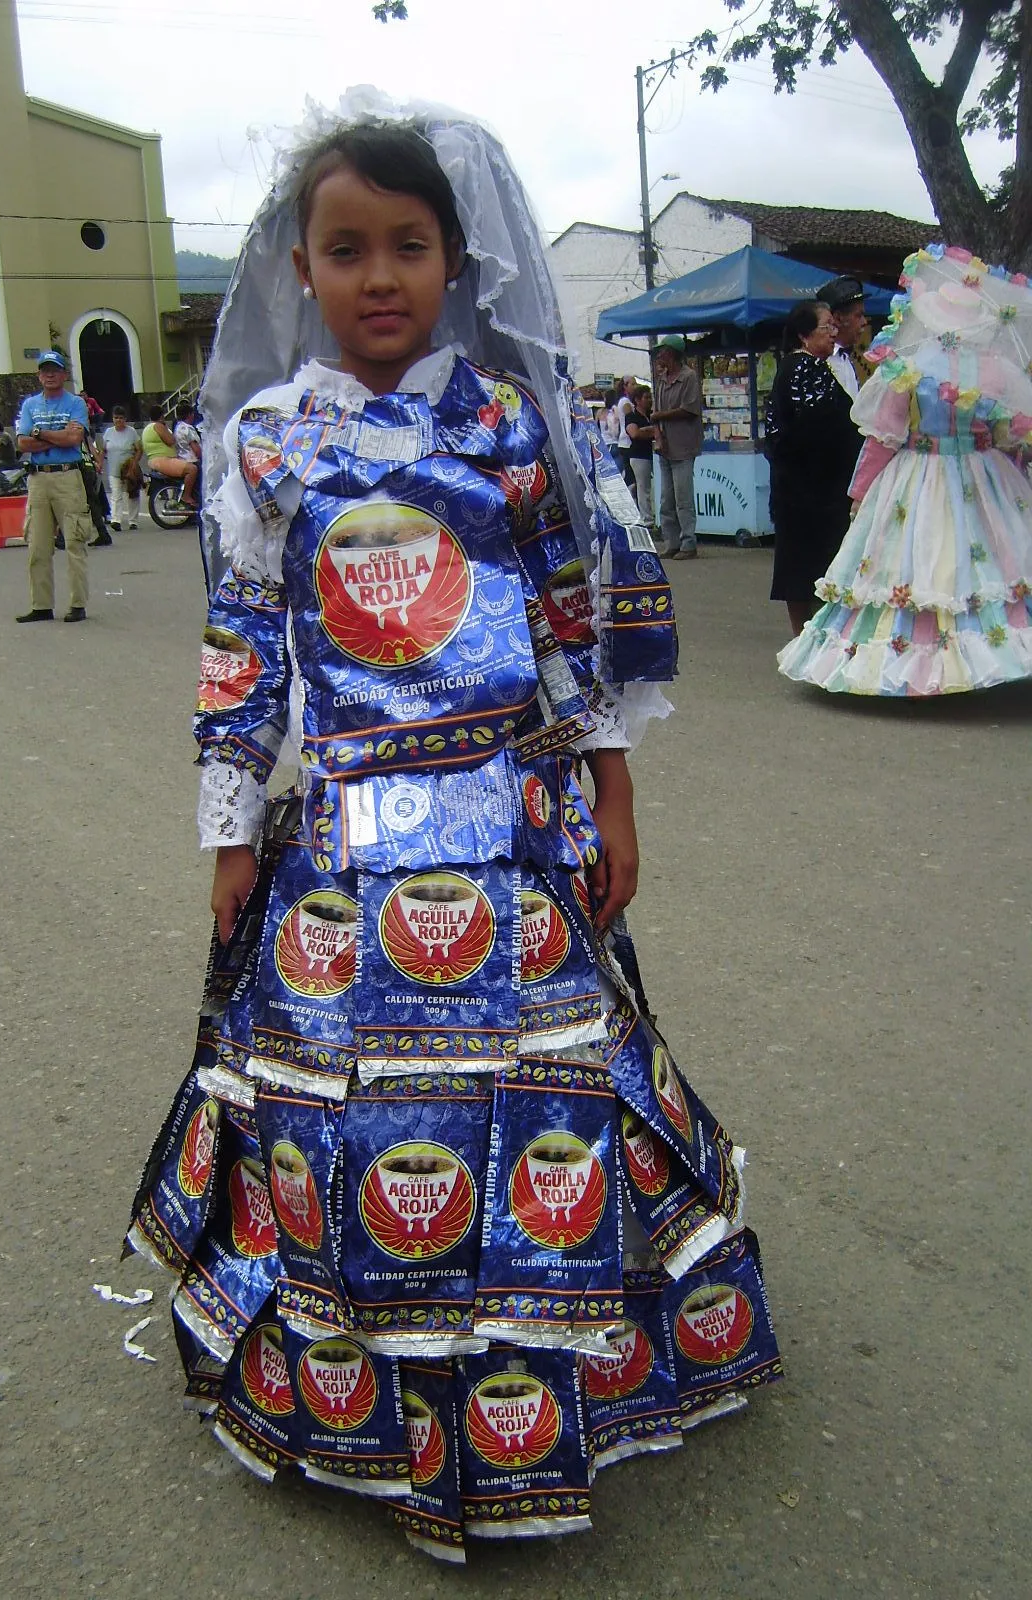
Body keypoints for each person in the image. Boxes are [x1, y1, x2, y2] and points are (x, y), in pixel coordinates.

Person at [123, 101, 779, 1563]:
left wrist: (613, 790)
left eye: (407, 247)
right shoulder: (271, 444)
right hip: (346, 856)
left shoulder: (512, 425)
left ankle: (547, 1392)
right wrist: (231, 832)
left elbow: (567, 631)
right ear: (301, 267)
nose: (378, 277)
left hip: (515, 833)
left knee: (546, 1106)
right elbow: (245, 649)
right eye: (345, 249)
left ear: (453, 259)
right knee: (358, 1124)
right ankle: (373, 1393)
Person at [780, 244, 1032, 694]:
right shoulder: (992, 369)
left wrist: (860, 493)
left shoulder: (909, 366)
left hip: (921, 475)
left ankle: (922, 657)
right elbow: (1009, 434)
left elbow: (884, 437)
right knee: (987, 560)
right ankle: (983, 651)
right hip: (984, 474)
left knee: (923, 559)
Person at [764, 302, 861, 637]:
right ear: (805, 335)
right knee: (809, 565)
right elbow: (817, 426)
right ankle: (808, 638)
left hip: (808, 486)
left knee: (804, 565)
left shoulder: (808, 367)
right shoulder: (803, 369)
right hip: (811, 488)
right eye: (826, 327)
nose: (833, 334)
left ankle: (808, 638)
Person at [14, 351, 92, 622]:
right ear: (39, 375)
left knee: (74, 540)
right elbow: (23, 443)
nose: (49, 375)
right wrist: (56, 437)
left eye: (55, 370)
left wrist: (40, 434)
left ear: (64, 374)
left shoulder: (76, 403)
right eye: (44, 370)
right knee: (37, 544)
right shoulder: (30, 405)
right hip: (38, 478)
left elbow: (74, 438)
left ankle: (78, 603)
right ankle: (41, 605)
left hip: (67, 476)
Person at [650, 335, 703, 559]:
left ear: (671, 353)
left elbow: (689, 409)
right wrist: (658, 436)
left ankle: (688, 544)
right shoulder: (662, 380)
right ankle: (671, 542)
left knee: (684, 499)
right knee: (666, 500)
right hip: (666, 447)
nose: (659, 355)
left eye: (662, 351)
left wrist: (661, 416)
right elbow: (654, 416)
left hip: (683, 446)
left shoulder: (689, 377)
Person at [816, 276, 869, 399]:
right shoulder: (819, 361)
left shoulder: (845, 358)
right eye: (858, 316)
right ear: (838, 319)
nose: (864, 322)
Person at [141, 404, 199, 507]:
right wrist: (165, 427)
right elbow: (171, 441)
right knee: (192, 469)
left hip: (156, 460)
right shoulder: (158, 426)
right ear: (161, 415)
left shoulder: (148, 427)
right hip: (162, 460)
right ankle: (186, 496)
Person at [97, 406, 143, 531]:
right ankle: (116, 520)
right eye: (116, 418)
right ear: (112, 418)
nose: (118, 420)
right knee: (116, 494)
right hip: (114, 469)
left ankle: (133, 521)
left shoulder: (131, 432)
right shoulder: (108, 432)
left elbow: (139, 449)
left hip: (129, 469)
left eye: (121, 418)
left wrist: (134, 462)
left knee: (132, 494)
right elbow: (103, 450)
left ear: (125, 419)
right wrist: (100, 464)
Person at [624, 383, 656, 523]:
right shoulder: (632, 416)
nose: (649, 400)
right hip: (639, 456)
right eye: (646, 397)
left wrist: (646, 431)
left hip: (652, 454)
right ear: (637, 400)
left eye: (650, 397)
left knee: (647, 487)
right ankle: (646, 518)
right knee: (643, 488)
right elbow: (634, 433)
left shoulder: (652, 415)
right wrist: (652, 431)